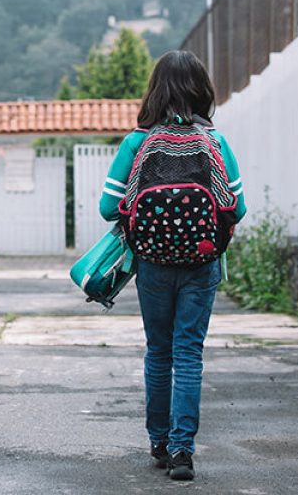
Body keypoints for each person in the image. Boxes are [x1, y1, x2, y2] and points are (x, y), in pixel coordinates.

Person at [98, 50, 247, 481]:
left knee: (159, 351)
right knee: (189, 354)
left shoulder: (137, 142)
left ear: (155, 91)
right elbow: (237, 208)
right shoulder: (215, 142)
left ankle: (159, 442)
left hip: (152, 263)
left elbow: (109, 207)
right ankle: (183, 452)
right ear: (203, 91)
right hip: (202, 264)